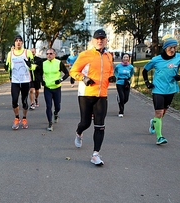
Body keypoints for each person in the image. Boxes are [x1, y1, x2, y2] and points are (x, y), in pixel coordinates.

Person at [69, 29, 115, 166]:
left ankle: (95, 154)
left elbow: (110, 70)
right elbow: (73, 71)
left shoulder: (108, 56)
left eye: (102, 38)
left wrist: (111, 76)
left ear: (106, 40)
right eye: (97, 39)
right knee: (86, 123)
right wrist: (84, 78)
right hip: (86, 94)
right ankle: (79, 132)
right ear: (93, 41)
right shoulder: (85, 55)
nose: (100, 41)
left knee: (100, 125)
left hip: (102, 95)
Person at [142, 37, 180, 145]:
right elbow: (145, 70)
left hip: (171, 89)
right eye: (170, 47)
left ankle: (154, 123)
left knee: (162, 113)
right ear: (165, 48)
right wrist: (147, 83)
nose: (172, 50)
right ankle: (159, 137)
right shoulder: (156, 60)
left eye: (174, 47)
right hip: (158, 89)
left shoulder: (178, 57)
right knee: (158, 112)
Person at [4, 35, 34, 129]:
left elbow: (33, 66)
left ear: (22, 42)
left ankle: (24, 118)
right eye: (16, 41)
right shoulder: (10, 53)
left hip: (25, 80)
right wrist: (6, 68)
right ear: (14, 43)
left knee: (24, 101)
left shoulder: (27, 52)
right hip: (15, 81)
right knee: (14, 101)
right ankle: (17, 118)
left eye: (20, 41)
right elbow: (8, 66)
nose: (18, 42)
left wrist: (30, 65)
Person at [42, 48, 69, 131]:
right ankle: (50, 123)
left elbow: (67, 73)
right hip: (47, 88)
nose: (49, 55)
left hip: (57, 88)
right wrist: (41, 81)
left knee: (57, 106)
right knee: (48, 106)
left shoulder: (59, 63)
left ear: (54, 54)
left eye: (50, 53)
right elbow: (38, 73)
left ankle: (56, 113)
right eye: (47, 54)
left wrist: (60, 80)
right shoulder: (44, 63)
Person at [114, 53, 134, 117]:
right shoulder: (118, 66)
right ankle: (121, 112)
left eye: (127, 57)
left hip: (127, 83)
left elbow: (131, 73)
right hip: (119, 83)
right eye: (124, 57)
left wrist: (128, 78)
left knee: (126, 99)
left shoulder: (131, 67)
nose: (126, 58)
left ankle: (120, 102)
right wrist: (117, 77)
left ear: (129, 59)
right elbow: (115, 72)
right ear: (122, 58)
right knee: (122, 97)